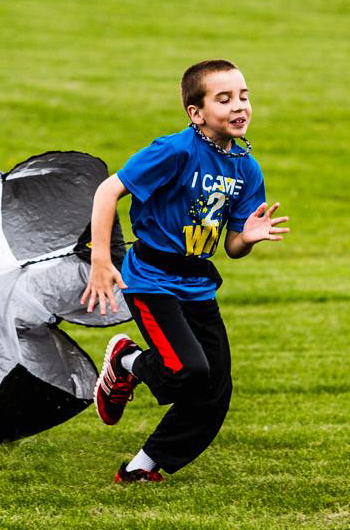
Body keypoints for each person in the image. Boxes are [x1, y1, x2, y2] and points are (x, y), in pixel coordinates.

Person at [81, 59, 289, 483]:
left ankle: (142, 467)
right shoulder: (174, 150)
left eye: (244, 96)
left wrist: (246, 239)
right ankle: (127, 362)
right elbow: (108, 191)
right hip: (152, 280)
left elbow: (231, 248)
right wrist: (101, 260)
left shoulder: (247, 167)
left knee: (215, 387)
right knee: (187, 369)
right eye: (224, 98)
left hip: (198, 285)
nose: (240, 106)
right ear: (196, 113)